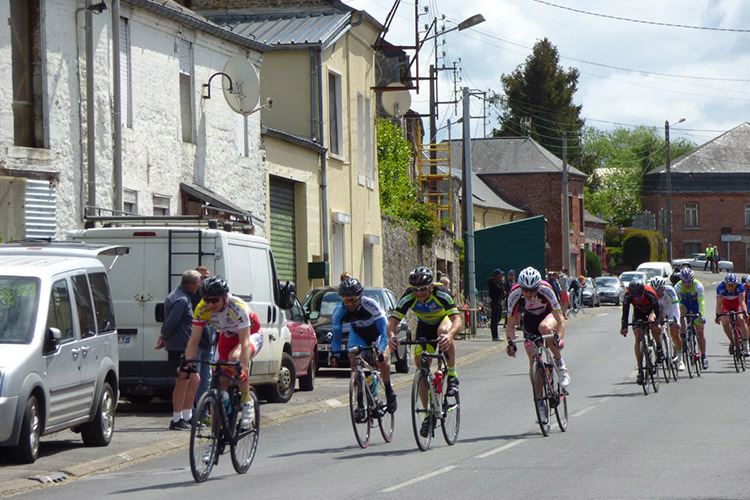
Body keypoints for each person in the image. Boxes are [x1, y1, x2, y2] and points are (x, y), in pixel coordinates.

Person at [389, 266, 462, 438]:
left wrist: (450, 335)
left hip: (443, 321)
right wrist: (392, 336)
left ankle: (452, 375)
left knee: (443, 333)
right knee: (421, 367)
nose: (419, 293)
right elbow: (393, 321)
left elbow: (456, 319)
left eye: (422, 289)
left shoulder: (441, 293)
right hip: (424, 327)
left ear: (430, 286)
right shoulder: (408, 296)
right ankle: (428, 415)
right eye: (415, 289)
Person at [184, 276, 263, 428]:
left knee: (235, 360)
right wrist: (188, 363)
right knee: (219, 383)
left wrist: (243, 368)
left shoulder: (237, 307)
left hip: (250, 334)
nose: (210, 304)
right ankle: (216, 436)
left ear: (224, 297)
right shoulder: (202, 308)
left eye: (214, 300)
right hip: (228, 336)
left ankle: (247, 402)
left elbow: (245, 343)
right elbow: (194, 340)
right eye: (207, 300)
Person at [505, 267, 570, 420]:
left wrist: (559, 339)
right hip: (529, 320)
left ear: (538, 287)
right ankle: (540, 400)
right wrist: (511, 344)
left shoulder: (546, 289)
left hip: (548, 316)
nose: (529, 294)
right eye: (526, 290)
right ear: (520, 287)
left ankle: (560, 364)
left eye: (533, 290)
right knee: (533, 358)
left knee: (544, 328)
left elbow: (560, 318)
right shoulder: (514, 295)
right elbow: (510, 324)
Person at [330, 277, 397, 421]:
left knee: (382, 360)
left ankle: (389, 391)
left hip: (377, 334)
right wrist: (335, 354)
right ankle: (360, 404)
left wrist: (380, 350)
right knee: (354, 359)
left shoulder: (371, 305)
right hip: (358, 334)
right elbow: (336, 337)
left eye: (353, 300)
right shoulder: (339, 311)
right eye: (346, 300)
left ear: (361, 297)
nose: (350, 304)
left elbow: (385, 333)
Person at [161, 270, 202, 430]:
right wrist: (163, 337)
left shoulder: (181, 296)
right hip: (180, 347)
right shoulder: (182, 300)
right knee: (182, 381)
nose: (199, 286)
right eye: (198, 283)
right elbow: (171, 322)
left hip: (185, 347)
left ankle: (187, 416)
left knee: (193, 380)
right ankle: (176, 419)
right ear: (191, 284)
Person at [620, 279, 662, 385]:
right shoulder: (628, 296)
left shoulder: (650, 293)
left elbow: (657, 310)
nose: (637, 298)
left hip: (651, 310)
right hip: (639, 312)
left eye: (639, 295)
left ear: (643, 292)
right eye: (635, 296)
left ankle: (658, 346)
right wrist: (624, 327)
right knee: (637, 336)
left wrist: (658, 324)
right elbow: (625, 312)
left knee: (652, 322)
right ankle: (640, 369)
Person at [674, 267, 709, 369]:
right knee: (680, 312)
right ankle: (683, 335)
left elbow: (701, 302)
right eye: (684, 281)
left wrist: (701, 315)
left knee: (700, 332)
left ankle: (703, 356)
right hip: (684, 305)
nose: (687, 284)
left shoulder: (698, 286)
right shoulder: (678, 287)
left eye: (689, 281)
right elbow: (675, 304)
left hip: (696, 305)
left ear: (692, 280)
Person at [650, 277, 685, 371]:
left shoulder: (670, 290)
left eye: (660, 290)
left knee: (675, 332)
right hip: (660, 311)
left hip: (671, 309)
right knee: (655, 326)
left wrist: (677, 321)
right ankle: (660, 348)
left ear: (664, 287)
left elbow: (676, 307)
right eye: (655, 291)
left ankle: (680, 360)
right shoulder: (651, 294)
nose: (658, 293)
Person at [193, 266, 213, 409]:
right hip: (197, 339)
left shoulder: (211, 296)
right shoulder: (193, 296)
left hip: (209, 339)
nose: (205, 281)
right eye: (202, 278)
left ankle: (203, 412)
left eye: (207, 278)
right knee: (195, 377)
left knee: (206, 378)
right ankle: (193, 412)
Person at [715, 273, 749, 356]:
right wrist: (718, 315)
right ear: (725, 284)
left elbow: (742, 302)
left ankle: (745, 343)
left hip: (737, 304)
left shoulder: (740, 286)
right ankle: (732, 341)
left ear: (736, 284)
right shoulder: (720, 287)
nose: (730, 287)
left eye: (732, 285)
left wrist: (745, 312)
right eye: (728, 285)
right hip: (726, 305)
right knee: (725, 322)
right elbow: (719, 304)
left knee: (741, 319)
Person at [487, 269, 505, 341]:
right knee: (495, 319)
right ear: (497, 275)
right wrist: (502, 283)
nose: (502, 276)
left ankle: (496, 335)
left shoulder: (497, 282)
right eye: (500, 274)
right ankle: (495, 336)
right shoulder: (493, 282)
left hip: (498, 300)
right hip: (495, 301)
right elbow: (499, 289)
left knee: (498, 318)